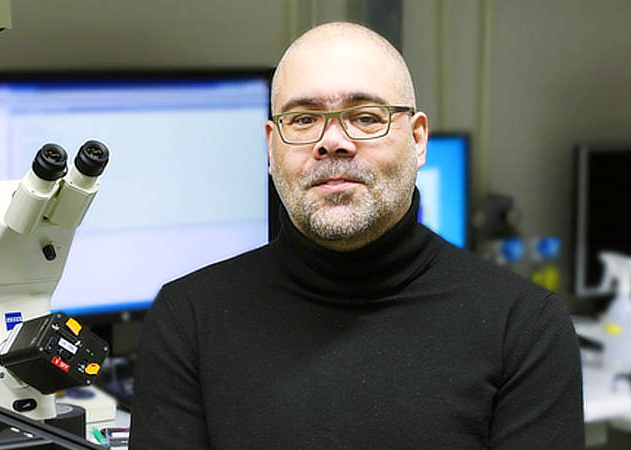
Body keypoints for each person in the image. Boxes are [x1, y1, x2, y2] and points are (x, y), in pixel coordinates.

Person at [130, 22, 583, 449]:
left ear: (418, 139)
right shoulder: (187, 321)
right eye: (303, 120)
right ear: (271, 147)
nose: (332, 141)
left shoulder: (524, 327)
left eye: (366, 117)